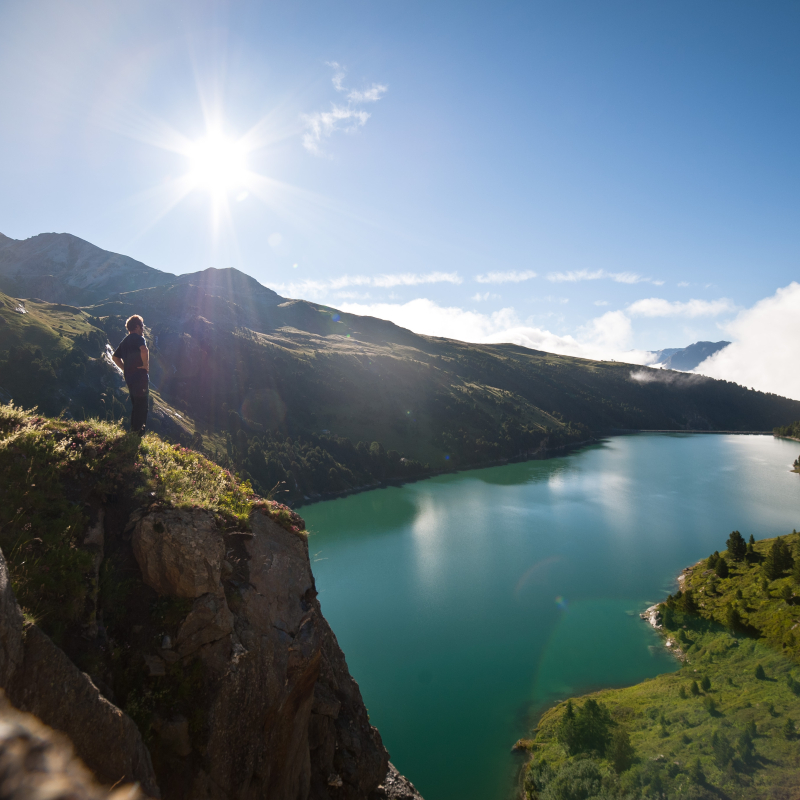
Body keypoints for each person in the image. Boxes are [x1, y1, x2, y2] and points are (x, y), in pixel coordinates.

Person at [112, 315, 149, 436]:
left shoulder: (125, 341)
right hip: (140, 376)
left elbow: (114, 357)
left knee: (135, 405)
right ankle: (138, 434)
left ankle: (133, 432)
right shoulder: (138, 338)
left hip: (129, 378)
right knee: (142, 405)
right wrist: (145, 365)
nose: (143, 329)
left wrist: (125, 368)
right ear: (137, 326)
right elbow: (144, 350)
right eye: (142, 326)